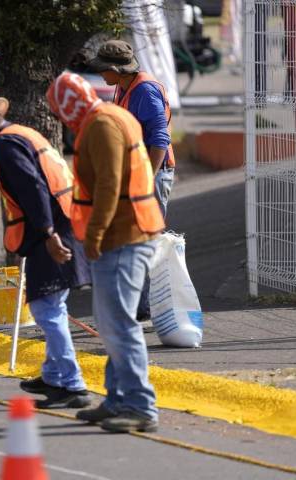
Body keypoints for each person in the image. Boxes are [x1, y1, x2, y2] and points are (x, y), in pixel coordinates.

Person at [0, 98, 91, 409]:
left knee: (46, 309)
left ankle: (72, 383)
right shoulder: (23, 133)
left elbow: (33, 189)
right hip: (65, 222)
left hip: (52, 230)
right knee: (52, 304)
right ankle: (54, 375)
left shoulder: (5, 145)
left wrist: (47, 234)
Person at [47, 71, 165, 432]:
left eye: (59, 111)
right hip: (127, 233)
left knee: (120, 325)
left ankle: (140, 406)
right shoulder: (108, 117)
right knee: (114, 325)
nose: (61, 120)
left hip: (122, 236)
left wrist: (94, 237)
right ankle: (117, 399)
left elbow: (110, 185)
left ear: (70, 105)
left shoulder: (101, 125)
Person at [89, 39, 176, 322]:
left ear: (116, 69)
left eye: (104, 70)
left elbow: (160, 138)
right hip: (138, 175)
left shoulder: (145, 90)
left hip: (153, 174)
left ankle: (149, 310)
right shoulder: (124, 87)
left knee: (145, 242)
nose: (101, 75)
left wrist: (146, 181)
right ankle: (139, 309)